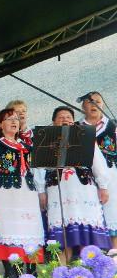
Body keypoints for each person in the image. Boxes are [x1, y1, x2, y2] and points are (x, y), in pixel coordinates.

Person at [0, 108, 44, 278]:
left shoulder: (27, 146)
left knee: (30, 231)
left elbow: (36, 171)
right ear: (0, 124)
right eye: (9, 119)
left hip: (28, 195)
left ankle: (30, 273)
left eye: (16, 119)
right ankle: (12, 272)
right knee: (10, 231)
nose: (14, 122)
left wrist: (41, 191)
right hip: (6, 195)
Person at [34, 106, 111, 262]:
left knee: (86, 236)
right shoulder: (45, 139)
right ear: (54, 122)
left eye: (68, 117)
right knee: (61, 237)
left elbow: (98, 163)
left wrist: (103, 187)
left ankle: (87, 270)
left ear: (73, 121)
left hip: (84, 190)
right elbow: (39, 169)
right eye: (61, 117)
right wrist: (41, 191)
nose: (65, 120)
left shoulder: (84, 136)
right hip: (57, 191)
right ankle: (61, 272)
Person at [79, 91, 117, 250]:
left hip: (112, 176)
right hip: (86, 179)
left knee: (113, 215)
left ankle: (114, 258)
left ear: (103, 105)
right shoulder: (77, 128)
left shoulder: (113, 125)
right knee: (91, 216)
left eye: (98, 101)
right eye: (90, 101)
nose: (94, 104)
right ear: (83, 107)